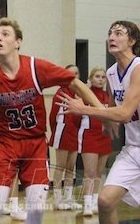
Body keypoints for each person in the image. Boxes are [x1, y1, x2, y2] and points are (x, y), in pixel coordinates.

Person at [0, 17, 103, 224]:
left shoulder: (36, 68)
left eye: (5, 34)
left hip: (35, 144)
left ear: (18, 42)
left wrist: (101, 111)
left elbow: (75, 83)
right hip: (6, 144)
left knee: (35, 213)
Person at [60, 20, 140, 223]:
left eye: (119, 33)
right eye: (110, 33)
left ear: (132, 41)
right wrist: (107, 121)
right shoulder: (111, 72)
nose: (111, 37)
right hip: (133, 148)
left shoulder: (138, 68)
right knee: (105, 201)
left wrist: (84, 109)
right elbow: (113, 108)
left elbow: (125, 114)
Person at [77, 67, 113, 217]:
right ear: (91, 78)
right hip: (89, 136)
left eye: (103, 77)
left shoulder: (108, 96)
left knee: (99, 172)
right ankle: (86, 204)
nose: (100, 79)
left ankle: (94, 202)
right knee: (90, 172)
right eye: (97, 76)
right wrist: (85, 87)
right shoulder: (86, 94)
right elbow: (77, 105)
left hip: (104, 137)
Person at [48, 64, 81, 210]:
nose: (73, 76)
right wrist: (55, 133)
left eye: (76, 73)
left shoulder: (79, 94)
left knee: (70, 167)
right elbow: (52, 117)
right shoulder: (61, 93)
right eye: (70, 73)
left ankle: (68, 198)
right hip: (62, 132)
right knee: (60, 166)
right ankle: (57, 199)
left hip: (75, 132)